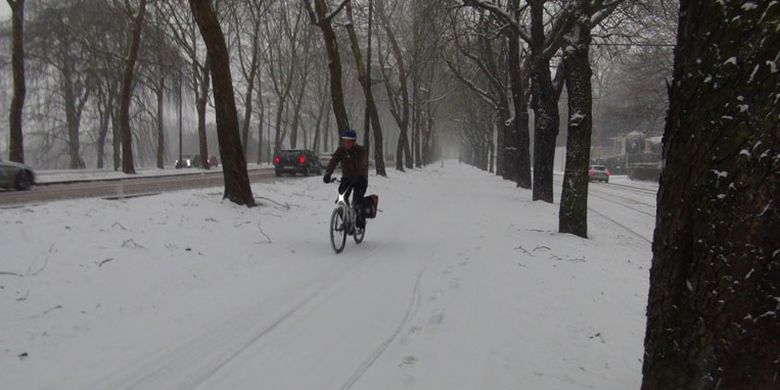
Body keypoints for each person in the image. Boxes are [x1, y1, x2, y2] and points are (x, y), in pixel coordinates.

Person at [323, 129, 369, 228]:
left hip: (360, 179)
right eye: (344, 141)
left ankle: (360, 219)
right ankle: (346, 220)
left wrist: (359, 175)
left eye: (348, 142)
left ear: (354, 142)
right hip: (347, 178)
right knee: (341, 198)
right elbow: (333, 161)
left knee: (357, 201)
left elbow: (363, 164)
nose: (346, 144)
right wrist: (328, 174)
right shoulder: (341, 150)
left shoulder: (361, 150)